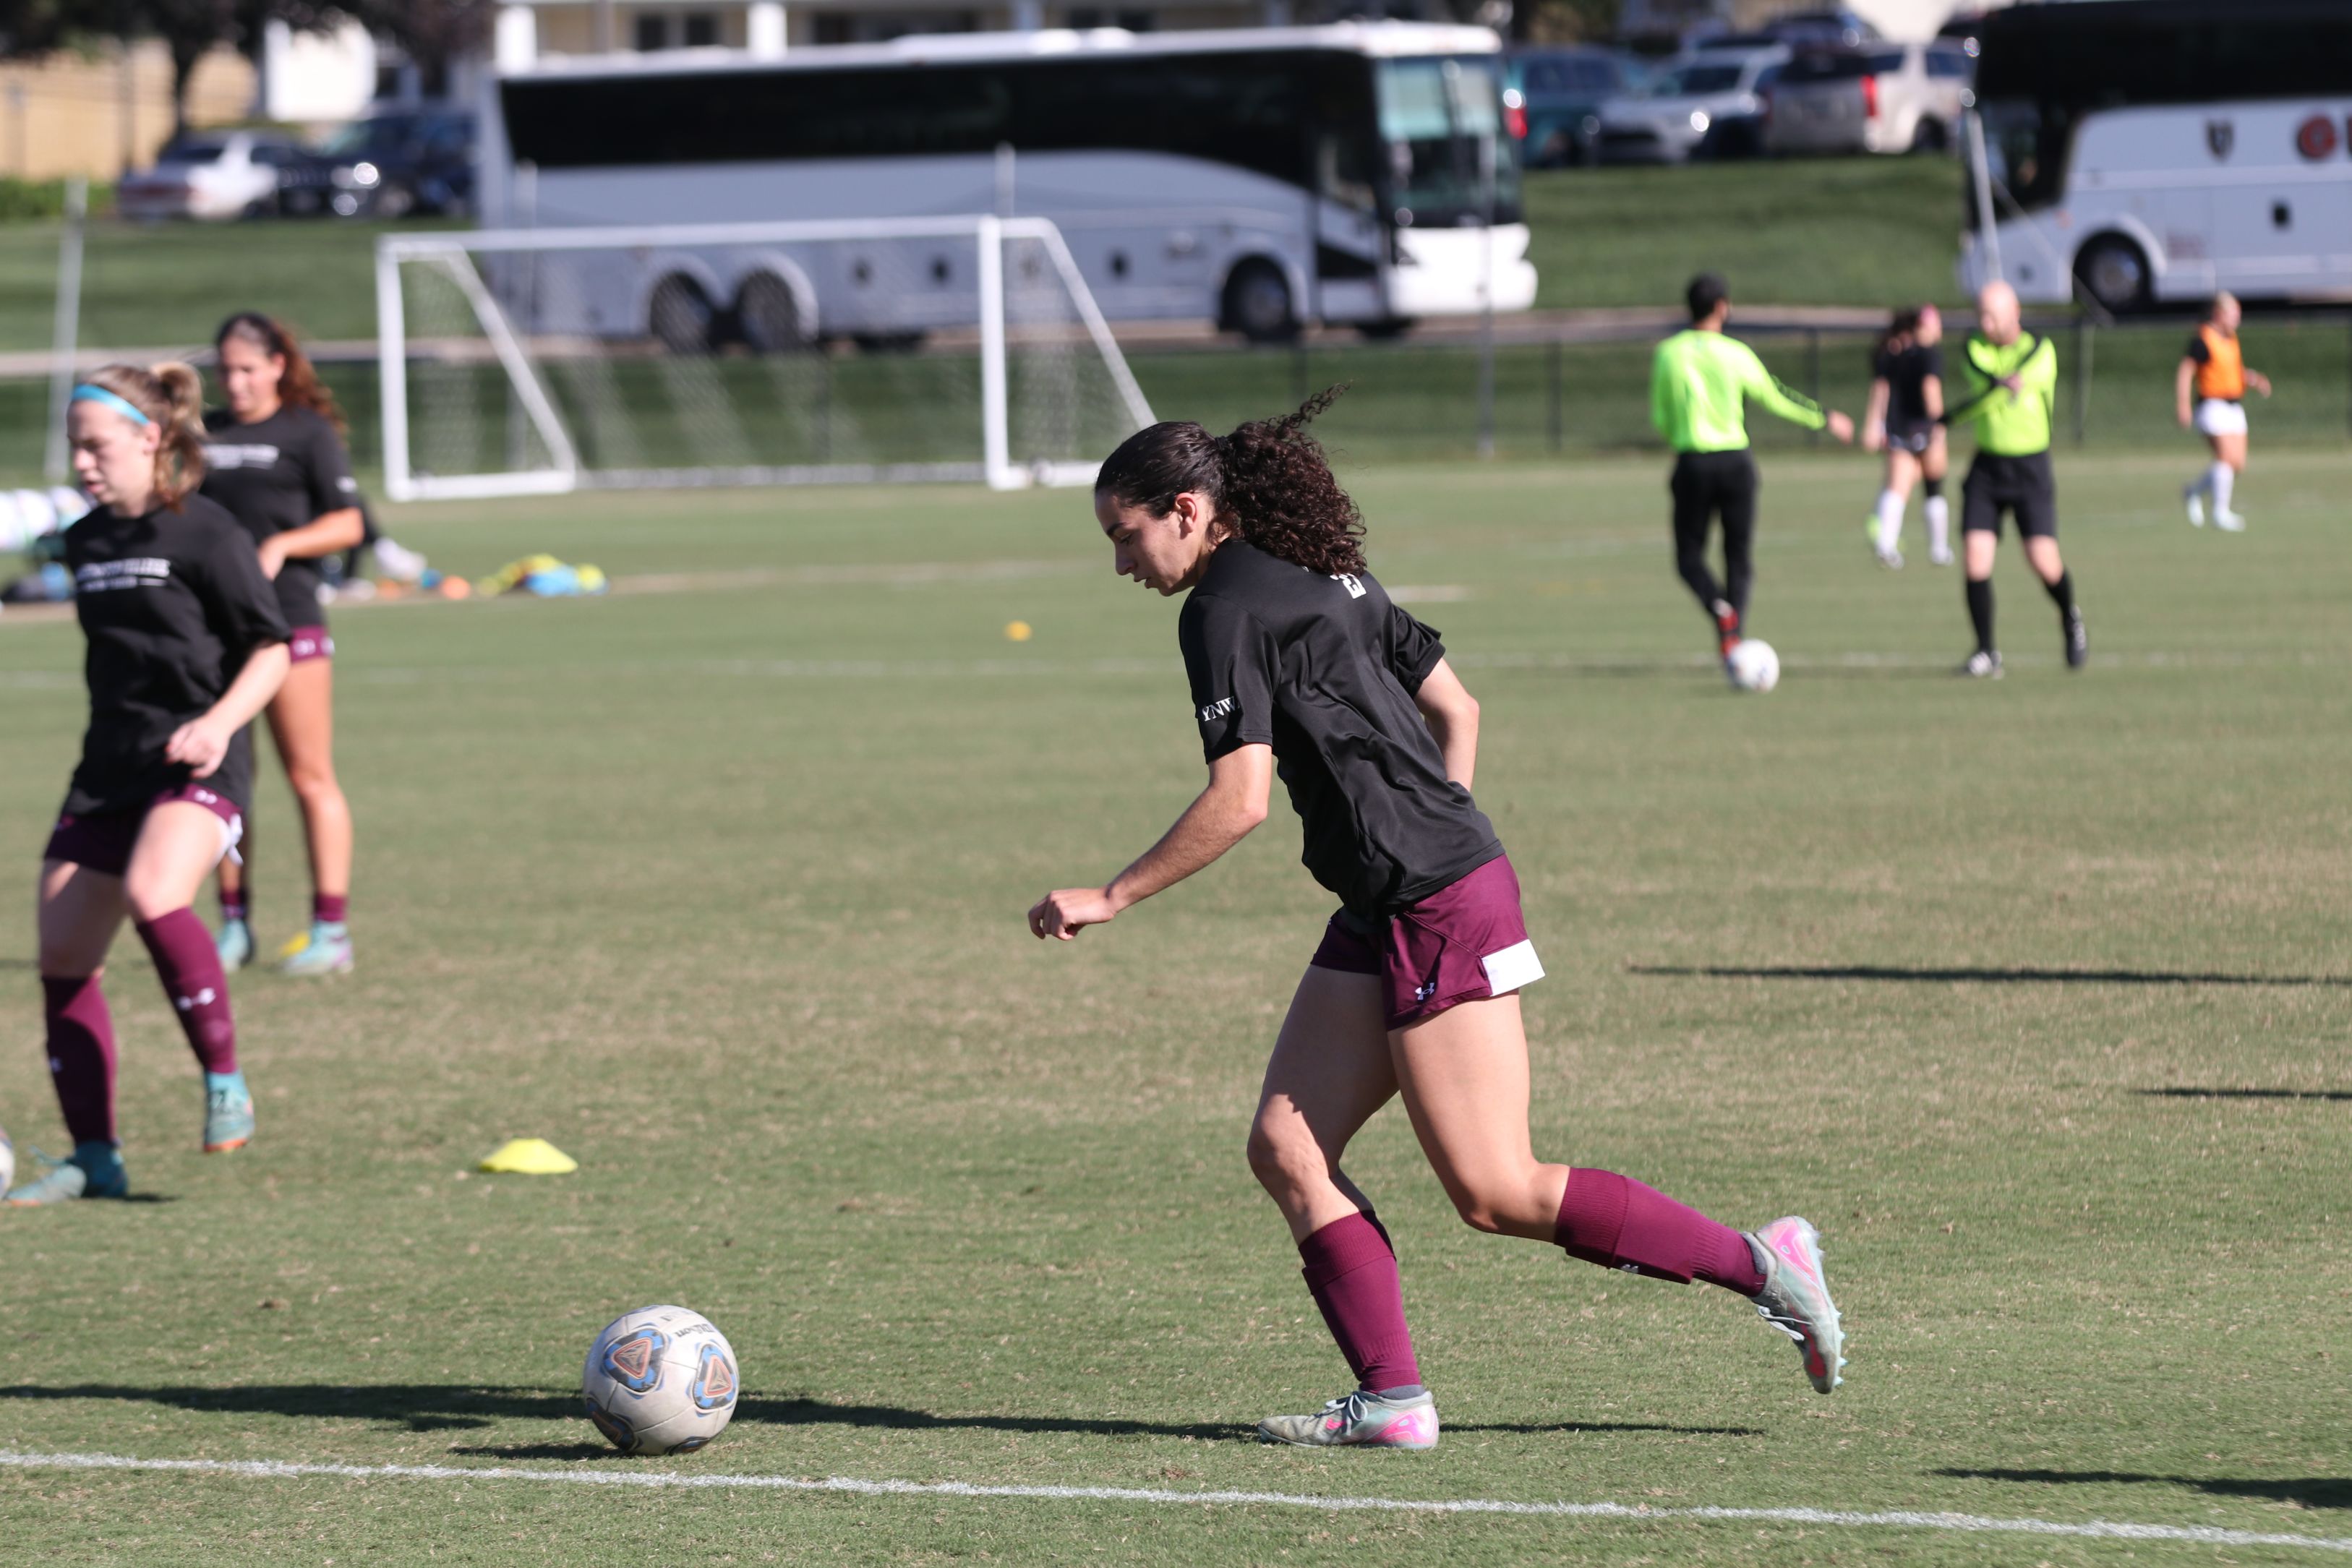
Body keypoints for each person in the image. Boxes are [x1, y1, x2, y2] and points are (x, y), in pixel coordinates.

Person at [1028, 392, 1845, 1449]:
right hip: (1405, 893)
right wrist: (1431, 832)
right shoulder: (1334, 574)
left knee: (1496, 1190)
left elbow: (1240, 801)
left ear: (1186, 509)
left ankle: (1765, 1262)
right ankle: (1393, 1399)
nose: (1121, 561)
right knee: (1287, 1145)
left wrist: (1110, 895)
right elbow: (1457, 707)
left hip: (1431, 901)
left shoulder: (1223, 610)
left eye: (1124, 534)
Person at [8, 365, 290, 1205]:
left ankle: (224, 1079)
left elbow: (270, 648)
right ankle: (95, 1156)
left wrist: (218, 724)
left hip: (200, 758)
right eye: (75, 449)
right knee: (61, 953)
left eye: (96, 447)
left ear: (151, 438)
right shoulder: (87, 539)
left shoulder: (209, 535)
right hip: (108, 768)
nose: (83, 463)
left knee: (154, 891)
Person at [200, 312, 365, 976]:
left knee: (309, 774)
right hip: (217, 632)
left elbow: (350, 521)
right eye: (226, 371)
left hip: (290, 621)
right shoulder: (205, 433)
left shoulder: (307, 431)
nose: (235, 383)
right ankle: (234, 926)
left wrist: (281, 545)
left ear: (276, 366)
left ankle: (332, 930)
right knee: (223, 784)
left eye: (247, 369)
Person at [1650, 273, 1855, 664]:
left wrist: (1681, 437)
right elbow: (1776, 398)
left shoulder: (1668, 353)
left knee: (1689, 559)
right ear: (1723, 306)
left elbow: (1659, 416)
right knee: (1738, 557)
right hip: (1735, 463)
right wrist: (1825, 418)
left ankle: (1719, 610)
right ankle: (1736, 635)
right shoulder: (1735, 353)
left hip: (1692, 462)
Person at [1943, 281, 2086, 679]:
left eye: (1992, 314)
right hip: (1987, 469)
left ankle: (2069, 616)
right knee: (1975, 559)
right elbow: (1982, 378)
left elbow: (2025, 374)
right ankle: (1986, 651)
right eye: (1980, 315)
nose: (1984, 323)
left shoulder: (2040, 351)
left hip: (2030, 471)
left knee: (2043, 562)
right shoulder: (1975, 349)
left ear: (2014, 312)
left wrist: (1947, 419)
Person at [1861, 304, 1951, 570]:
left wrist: (1875, 424)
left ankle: (1886, 545)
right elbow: (1930, 389)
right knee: (1933, 486)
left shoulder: (1894, 354)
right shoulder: (1929, 355)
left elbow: (1882, 390)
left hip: (1899, 430)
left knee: (1897, 489)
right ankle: (1939, 548)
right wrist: (1940, 425)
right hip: (1924, 428)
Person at [2177, 292, 2270, 533]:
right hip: (2211, 405)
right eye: (2233, 313)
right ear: (2219, 313)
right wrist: (2183, 404)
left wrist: (2254, 379)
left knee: (2237, 463)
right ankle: (2220, 512)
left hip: (2233, 405)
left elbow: (2233, 371)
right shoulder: (2204, 339)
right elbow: (2186, 371)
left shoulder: (2230, 339)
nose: (2237, 319)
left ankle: (2194, 492)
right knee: (2226, 458)